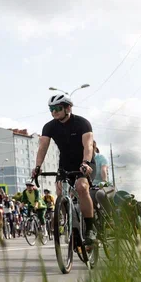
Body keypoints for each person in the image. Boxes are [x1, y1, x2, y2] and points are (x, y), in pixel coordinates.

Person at [33, 93, 96, 245]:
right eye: (51, 109)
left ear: (68, 108)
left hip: (84, 162)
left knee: (81, 187)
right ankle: (71, 224)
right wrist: (37, 167)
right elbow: (42, 147)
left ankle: (90, 228)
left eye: (57, 108)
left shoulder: (82, 123)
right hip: (65, 164)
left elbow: (88, 145)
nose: (54, 112)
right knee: (60, 191)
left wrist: (86, 163)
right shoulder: (49, 126)